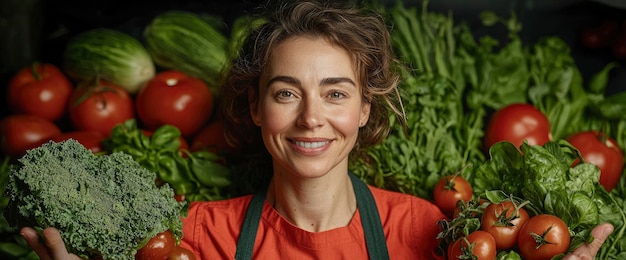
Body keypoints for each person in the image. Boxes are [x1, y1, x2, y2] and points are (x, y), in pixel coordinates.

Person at [20, 1, 614, 259]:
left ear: (363, 110)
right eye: (286, 93)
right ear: (256, 110)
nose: (310, 117)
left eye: (335, 93)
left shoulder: (432, 233)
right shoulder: (194, 237)